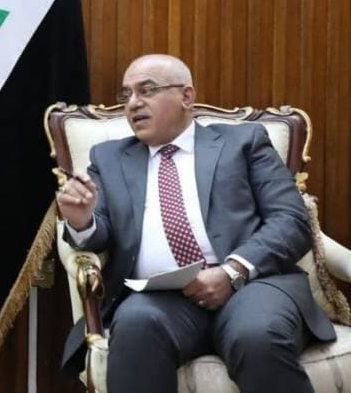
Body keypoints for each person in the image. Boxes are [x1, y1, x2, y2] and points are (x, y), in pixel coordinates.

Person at [57, 54, 335, 393]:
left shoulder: (243, 142)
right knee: (135, 324)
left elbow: (290, 221)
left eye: (147, 90)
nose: (133, 103)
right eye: (126, 94)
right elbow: (99, 233)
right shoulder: (109, 157)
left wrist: (232, 271)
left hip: (252, 286)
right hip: (161, 298)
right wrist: (82, 221)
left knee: (254, 335)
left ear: (186, 96)